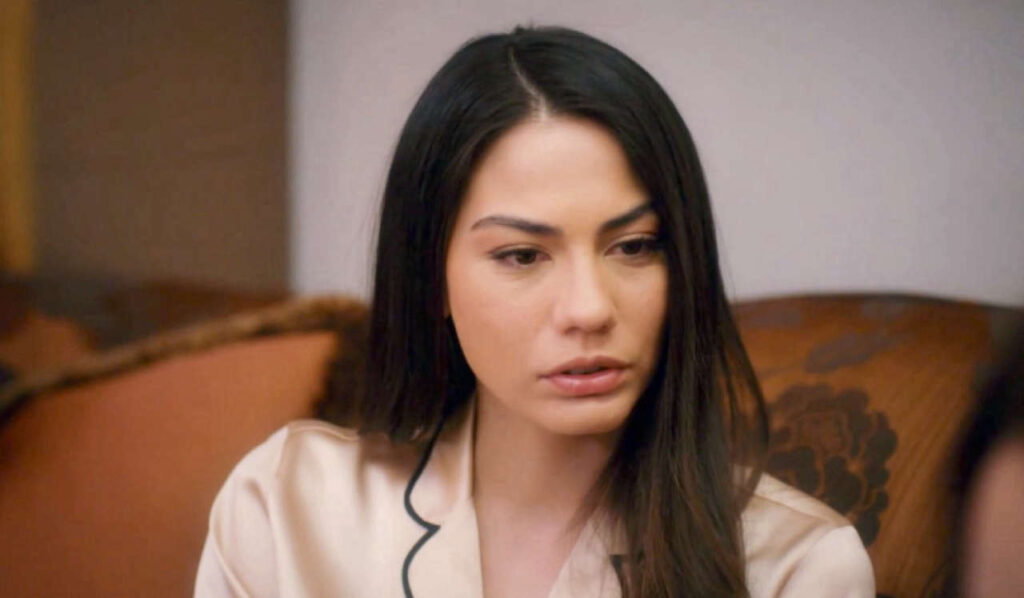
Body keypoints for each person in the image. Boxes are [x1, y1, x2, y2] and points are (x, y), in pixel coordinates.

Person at [194, 26, 874, 597]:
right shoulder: (285, 509)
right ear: (431, 278)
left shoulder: (797, 567)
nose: (589, 309)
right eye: (522, 255)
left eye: (635, 246)